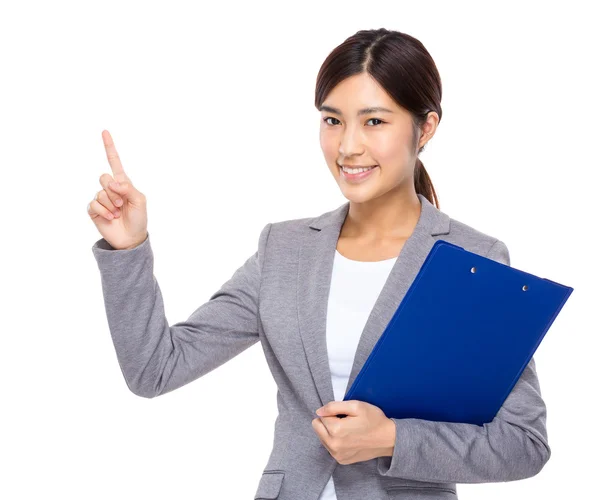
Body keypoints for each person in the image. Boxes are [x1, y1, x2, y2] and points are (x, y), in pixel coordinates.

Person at [88, 28, 550, 500]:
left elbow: (523, 443)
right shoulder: (283, 249)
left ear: (425, 128)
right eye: (333, 120)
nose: (348, 146)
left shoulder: (474, 260)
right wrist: (129, 249)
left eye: (374, 121)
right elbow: (155, 370)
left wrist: (392, 437)